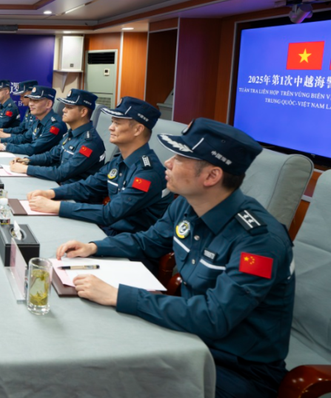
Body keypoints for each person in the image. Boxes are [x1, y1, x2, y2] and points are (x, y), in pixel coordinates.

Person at [56, 118, 294, 398]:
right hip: (187, 337)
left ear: (211, 176)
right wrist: (94, 247)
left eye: (181, 158)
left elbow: (213, 317)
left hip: (236, 366)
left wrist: (118, 295)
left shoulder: (259, 242)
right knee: (91, 347)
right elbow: (148, 241)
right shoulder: (185, 204)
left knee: (108, 378)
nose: (167, 163)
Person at [27, 96, 171, 236]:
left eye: (117, 123)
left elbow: (109, 213)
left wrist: (55, 206)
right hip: (107, 232)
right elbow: (88, 186)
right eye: (112, 122)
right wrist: (51, 193)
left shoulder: (148, 173)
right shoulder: (118, 161)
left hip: (127, 246)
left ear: (138, 130)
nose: (110, 128)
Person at [9, 89, 105, 184]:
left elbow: (61, 173)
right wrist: (27, 160)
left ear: (83, 112)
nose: (63, 110)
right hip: (59, 185)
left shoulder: (90, 143)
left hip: (72, 194)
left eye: (69, 107)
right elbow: (51, 156)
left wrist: (26, 169)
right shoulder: (71, 133)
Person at [0, 86, 66, 155]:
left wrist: (4, 146)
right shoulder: (39, 119)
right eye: (31, 100)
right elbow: (24, 138)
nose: (30, 104)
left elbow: (34, 148)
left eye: (35, 101)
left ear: (48, 104)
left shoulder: (55, 126)